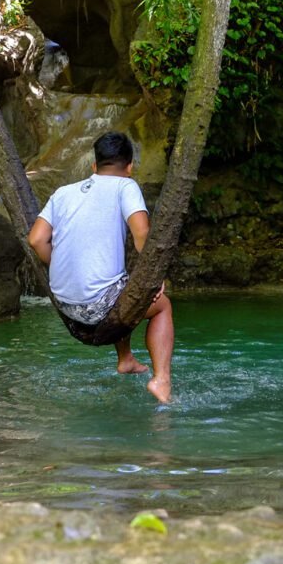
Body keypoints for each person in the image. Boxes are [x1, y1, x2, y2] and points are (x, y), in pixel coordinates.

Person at [27, 132, 174, 404]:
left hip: (64, 304)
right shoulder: (126, 186)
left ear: (94, 166)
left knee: (123, 283)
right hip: (98, 306)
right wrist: (156, 277)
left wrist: (61, 264)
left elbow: (36, 239)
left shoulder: (62, 193)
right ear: (129, 167)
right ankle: (161, 380)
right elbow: (142, 235)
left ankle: (126, 359)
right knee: (161, 304)